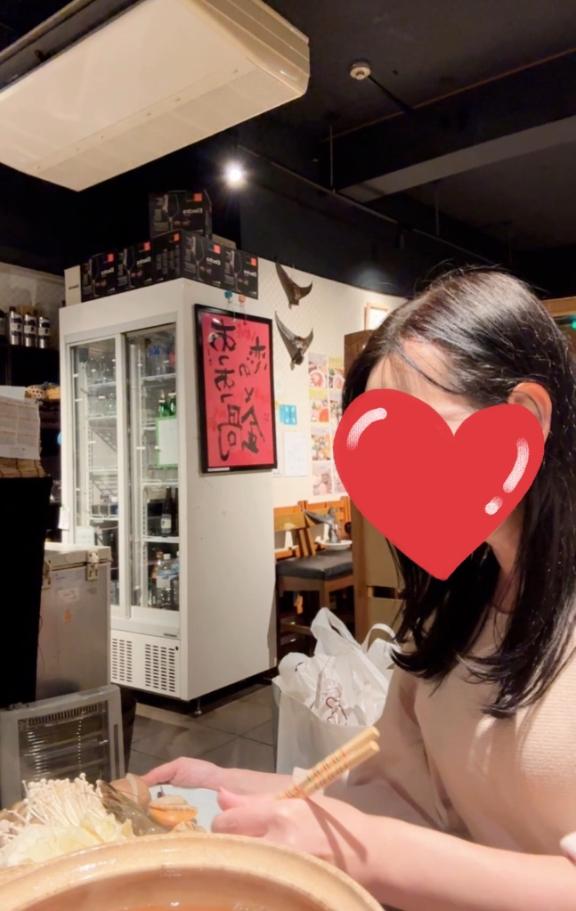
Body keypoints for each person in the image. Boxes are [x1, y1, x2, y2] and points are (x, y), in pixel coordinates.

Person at [145, 270, 576, 910]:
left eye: (421, 437)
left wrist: (359, 851)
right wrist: (225, 787)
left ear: (525, 420)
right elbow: (394, 794)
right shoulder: (460, 609)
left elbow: (375, 839)